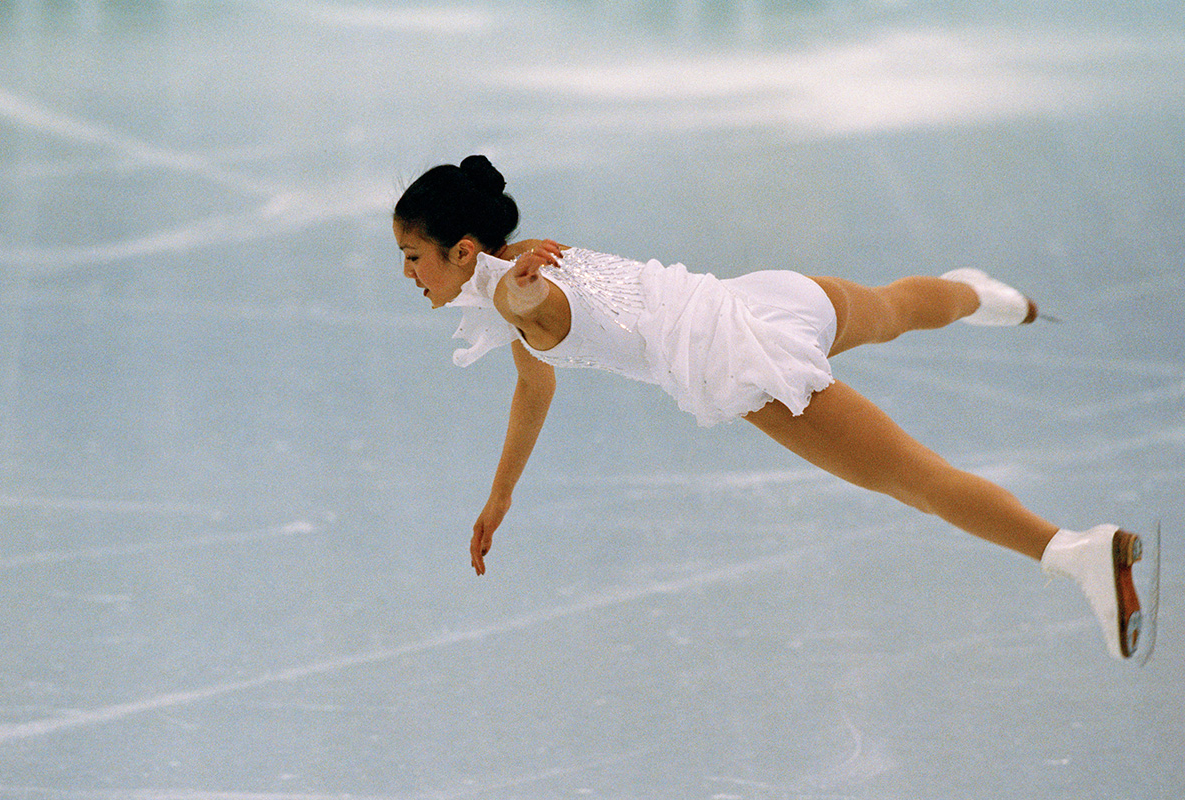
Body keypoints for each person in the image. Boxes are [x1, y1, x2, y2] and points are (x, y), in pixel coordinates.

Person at [392, 154, 1154, 662]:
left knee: (917, 480)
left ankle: (1075, 551)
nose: (407, 273)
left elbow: (531, 301)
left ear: (463, 250)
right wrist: (501, 495)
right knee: (891, 308)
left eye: (413, 256)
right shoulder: (517, 264)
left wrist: (524, 289)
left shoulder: (517, 290)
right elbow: (535, 383)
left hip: (744, 360)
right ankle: (985, 296)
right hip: (760, 296)